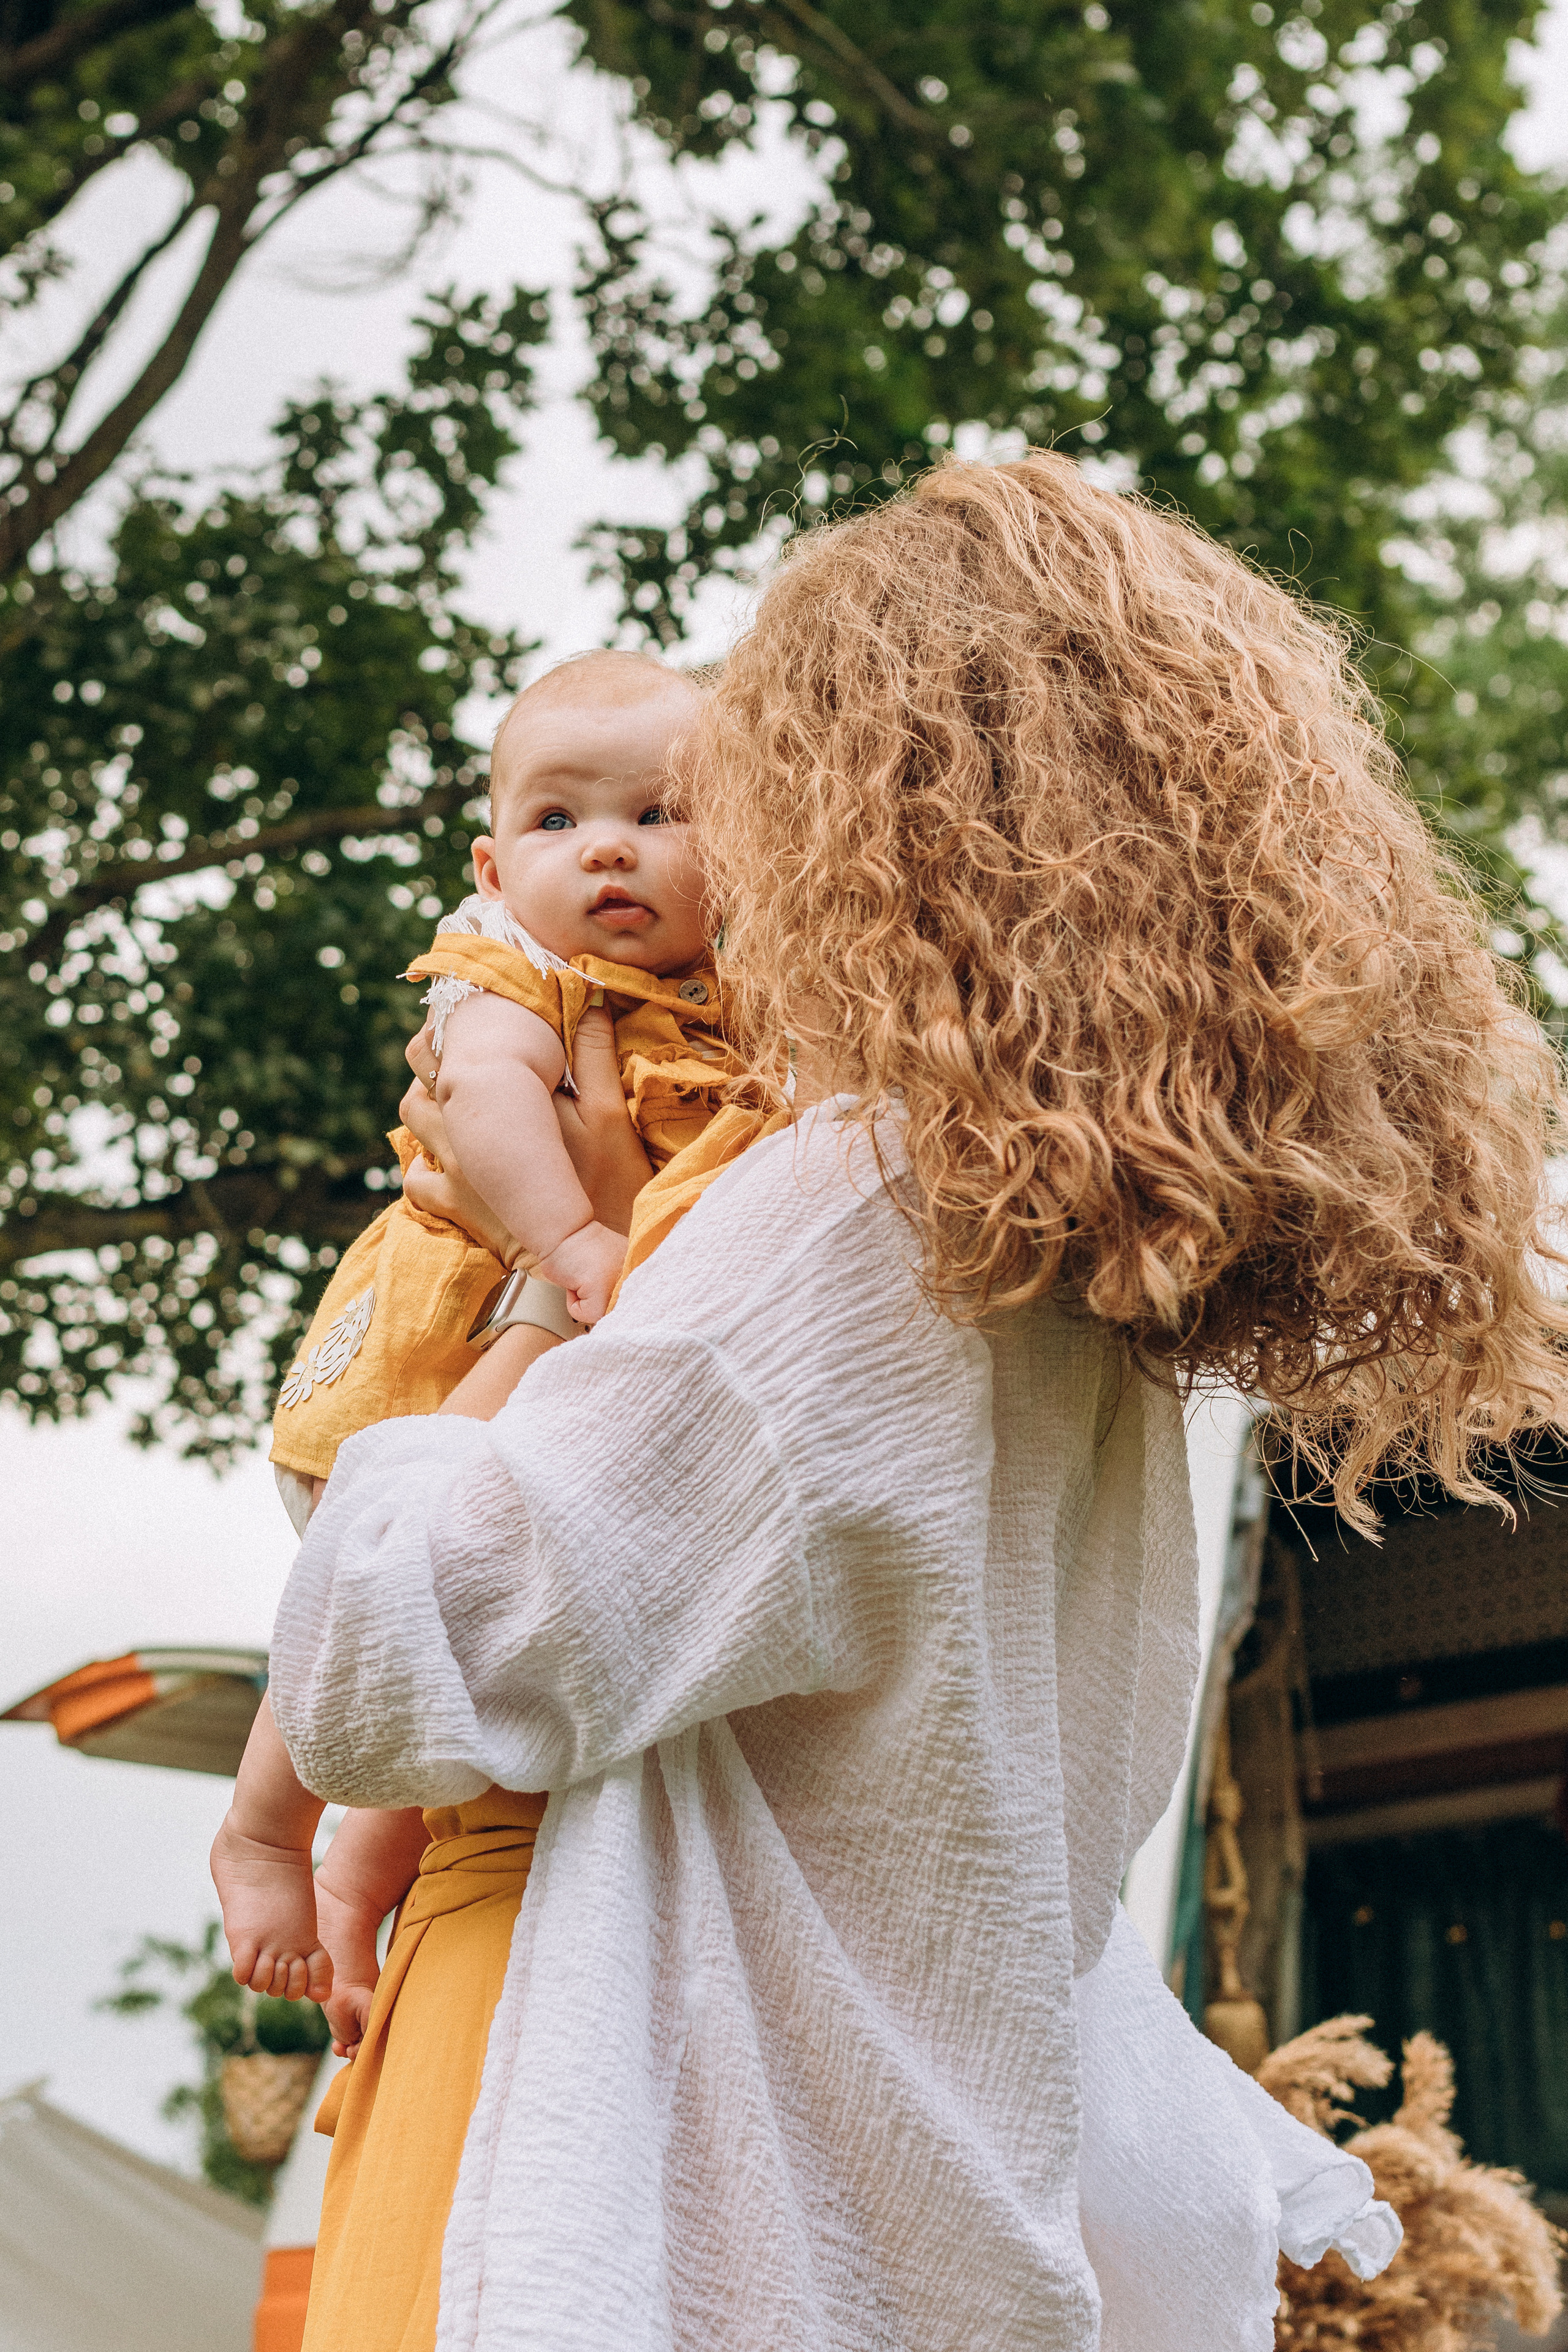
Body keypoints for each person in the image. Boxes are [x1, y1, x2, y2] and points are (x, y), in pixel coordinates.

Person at [267, 452, 1568, 2352]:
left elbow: (413, 1653)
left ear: (864, 809)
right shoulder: (1090, 1287)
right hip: (917, 2173)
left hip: (622, 2098)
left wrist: (529, 1301)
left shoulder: (852, 1207)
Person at [212, 650, 738, 2056]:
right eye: (558, 821)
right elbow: (488, 1103)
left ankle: (354, 1888)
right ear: (494, 866)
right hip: (435, 1339)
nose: (608, 848)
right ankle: (263, 1831)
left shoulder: (723, 997)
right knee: (372, 1587)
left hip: (541, 1369)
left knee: (431, 1653)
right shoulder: (522, 975)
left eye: (660, 814)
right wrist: (571, 1242)